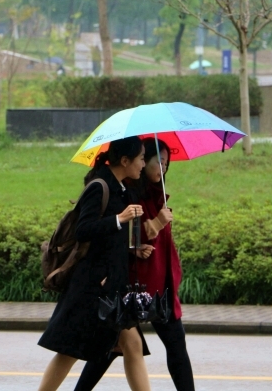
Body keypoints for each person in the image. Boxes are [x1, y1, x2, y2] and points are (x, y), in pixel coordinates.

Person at [74, 138, 196, 391]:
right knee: (113, 346)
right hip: (134, 282)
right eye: (157, 161)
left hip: (161, 282)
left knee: (172, 344)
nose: (163, 167)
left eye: (166, 163)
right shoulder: (128, 194)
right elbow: (127, 235)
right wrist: (157, 223)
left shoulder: (157, 195)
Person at [37, 136, 151, 391]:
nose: (144, 164)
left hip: (112, 287)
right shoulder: (99, 187)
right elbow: (84, 230)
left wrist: (133, 249)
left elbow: (110, 240)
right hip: (92, 288)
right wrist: (119, 218)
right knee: (69, 351)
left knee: (132, 345)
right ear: (125, 160)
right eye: (142, 158)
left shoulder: (123, 189)